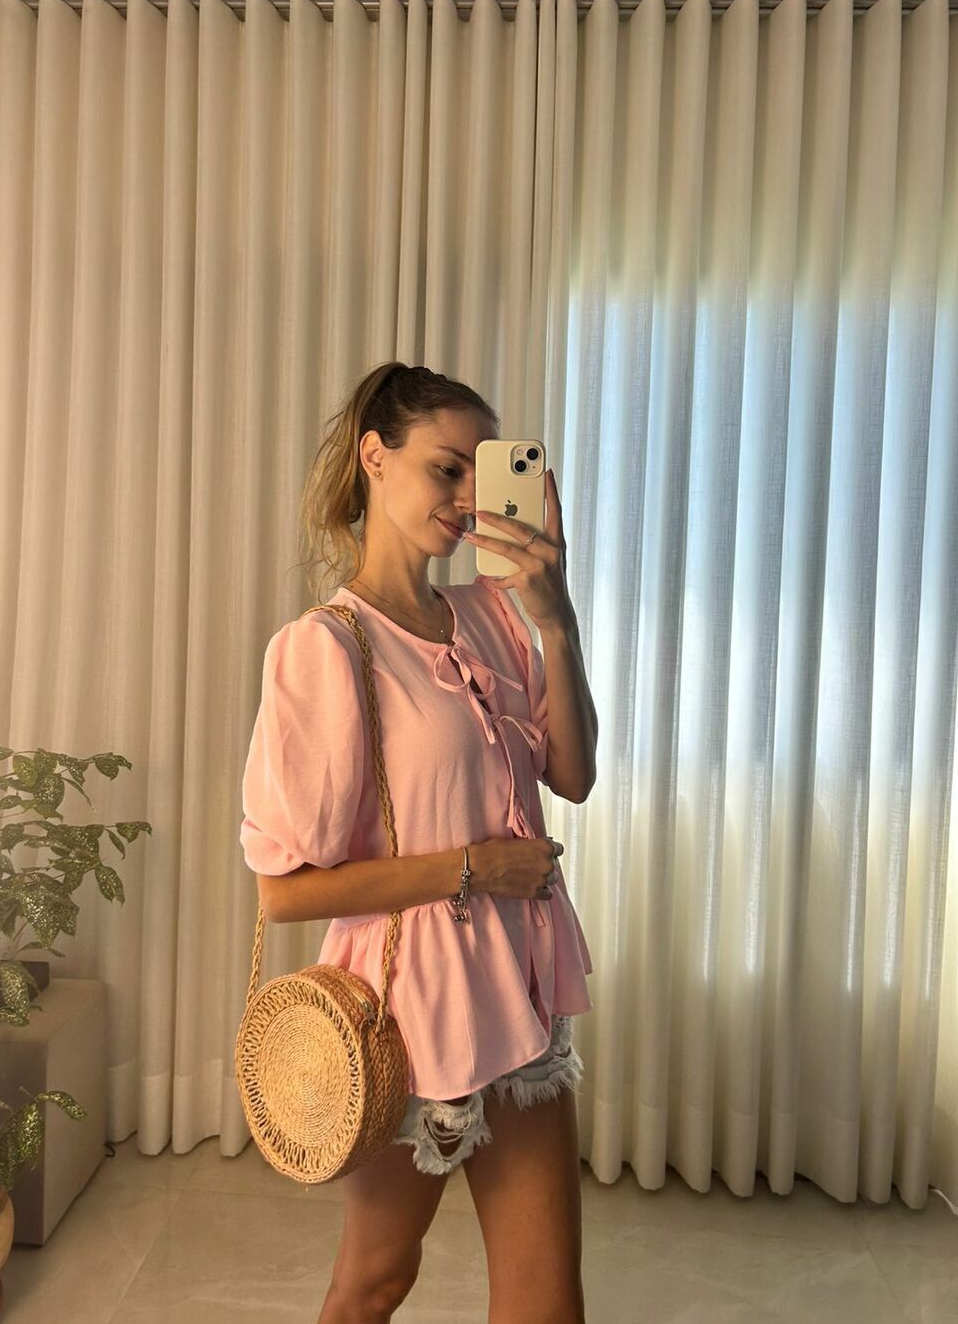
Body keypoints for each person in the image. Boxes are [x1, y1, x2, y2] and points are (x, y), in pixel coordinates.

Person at [240, 361, 598, 1322]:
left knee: (547, 1304)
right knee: (374, 1282)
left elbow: (573, 775)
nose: (470, 495)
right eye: (448, 468)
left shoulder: (496, 617)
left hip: (519, 990)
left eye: (483, 470)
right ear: (375, 456)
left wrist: (555, 615)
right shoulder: (326, 647)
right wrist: (474, 867)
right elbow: (284, 890)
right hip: (407, 1009)